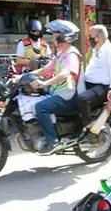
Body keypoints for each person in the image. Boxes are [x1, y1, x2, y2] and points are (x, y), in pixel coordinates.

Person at [28, 19, 83, 154]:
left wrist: (44, 83)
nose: (53, 39)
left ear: (63, 37)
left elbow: (65, 74)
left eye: (55, 36)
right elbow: (44, 70)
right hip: (59, 93)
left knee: (41, 107)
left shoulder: (71, 54)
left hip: (68, 97)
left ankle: (53, 141)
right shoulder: (60, 54)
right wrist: (23, 77)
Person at [78, 24, 111, 129]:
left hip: (102, 87)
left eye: (91, 36)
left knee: (82, 99)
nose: (89, 39)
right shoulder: (94, 50)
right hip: (89, 84)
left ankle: (89, 127)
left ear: (100, 37)